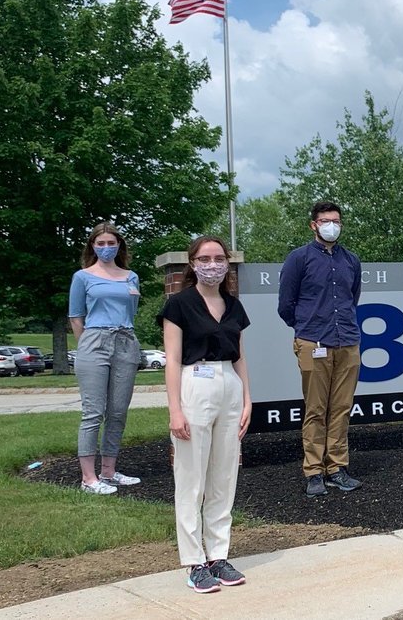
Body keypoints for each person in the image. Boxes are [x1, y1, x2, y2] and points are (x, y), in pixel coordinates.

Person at [160, 236, 252, 594]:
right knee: (191, 476)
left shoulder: (233, 305)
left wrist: (247, 398)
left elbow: (240, 356)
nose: (212, 265)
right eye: (204, 258)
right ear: (192, 263)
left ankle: (218, 555)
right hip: (194, 383)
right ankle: (194, 561)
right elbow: (172, 359)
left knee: (224, 475)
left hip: (228, 384)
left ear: (227, 263)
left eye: (218, 258)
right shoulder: (179, 305)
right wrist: (175, 409)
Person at [277, 201, 363, 497]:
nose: (331, 226)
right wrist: (306, 329)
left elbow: (352, 298)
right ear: (313, 225)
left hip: (347, 341)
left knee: (341, 408)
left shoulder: (351, 260)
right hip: (313, 342)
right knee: (315, 409)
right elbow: (286, 304)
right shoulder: (298, 258)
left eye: (336, 221)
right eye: (325, 221)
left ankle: (337, 468)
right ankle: (314, 471)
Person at [68, 223, 144, 494]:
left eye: (111, 243)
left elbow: (132, 311)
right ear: (92, 246)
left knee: (118, 411)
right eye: (100, 243)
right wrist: (87, 345)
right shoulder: (83, 277)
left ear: (119, 245)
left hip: (125, 341)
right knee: (93, 412)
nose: (106, 248)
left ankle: (109, 472)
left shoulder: (131, 277)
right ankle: (88, 478)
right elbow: (75, 316)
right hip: (95, 341)